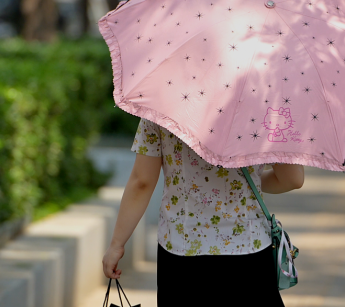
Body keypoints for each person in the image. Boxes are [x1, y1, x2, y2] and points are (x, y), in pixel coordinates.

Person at [102, 118, 305, 306]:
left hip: (181, 251)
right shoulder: (263, 103)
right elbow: (292, 179)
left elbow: (142, 182)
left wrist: (116, 244)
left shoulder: (160, 105)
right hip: (249, 248)